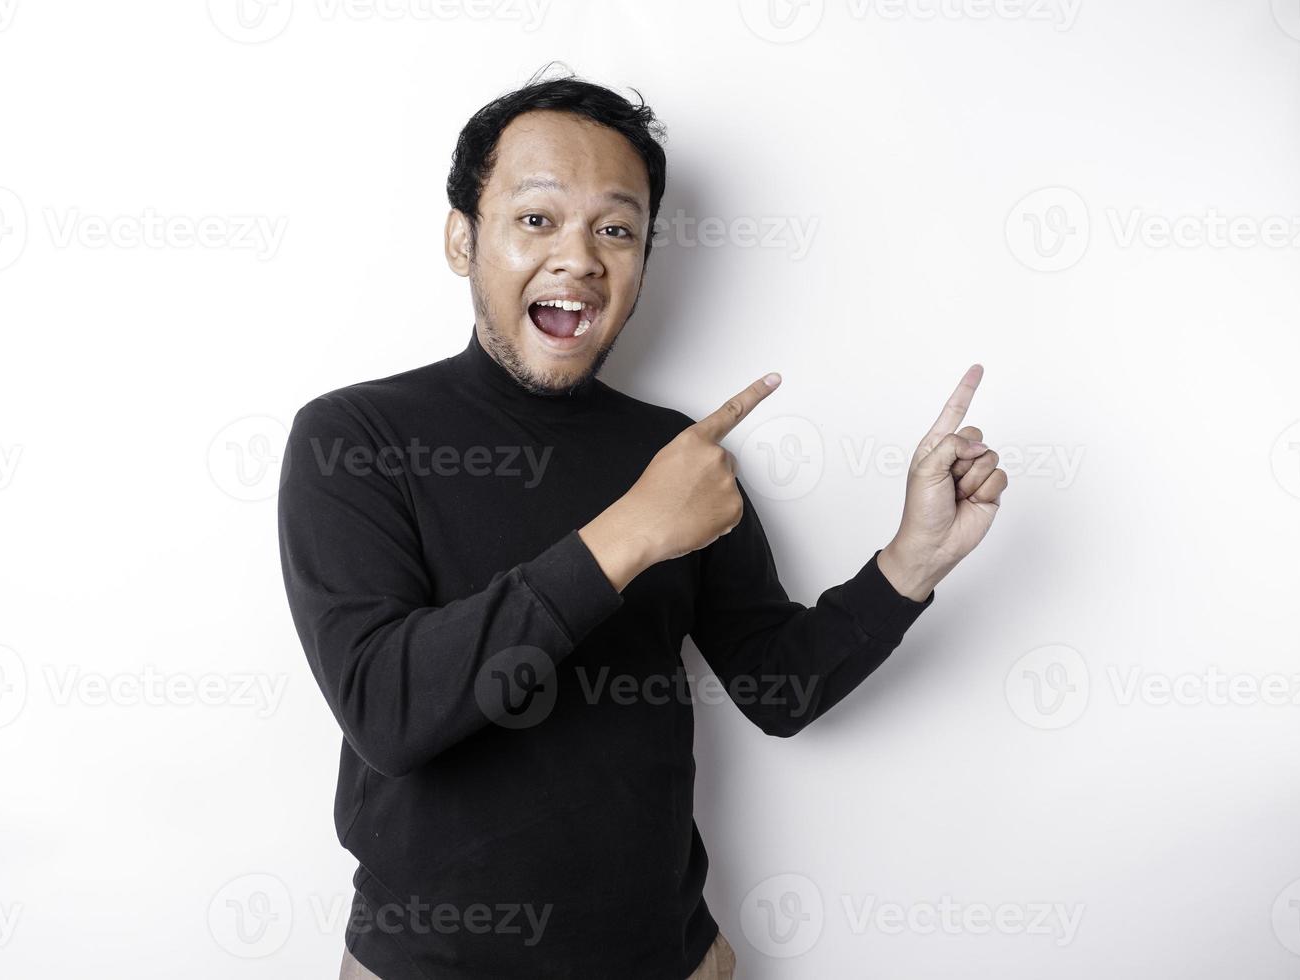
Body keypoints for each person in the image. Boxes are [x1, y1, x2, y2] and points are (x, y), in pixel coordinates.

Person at [278, 66, 1008, 980]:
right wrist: (633, 533)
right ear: (463, 238)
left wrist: (912, 560)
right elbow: (387, 711)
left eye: (616, 229)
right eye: (536, 218)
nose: (580, 258)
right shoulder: (354, 437)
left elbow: (780, 691)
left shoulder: (679, 455)